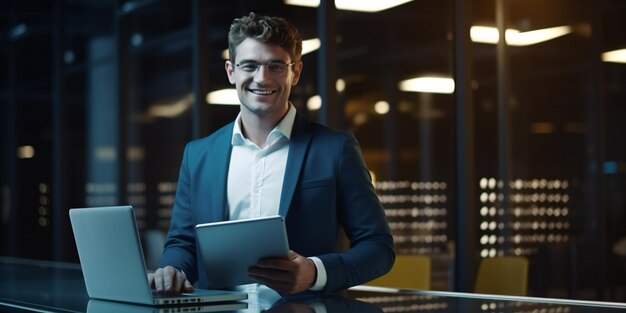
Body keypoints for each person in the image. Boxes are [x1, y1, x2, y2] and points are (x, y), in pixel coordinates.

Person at [149, 12, 394, 297]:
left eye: (275, 66)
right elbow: (182, 242)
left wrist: (314, 272)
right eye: (249, 66)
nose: (261, 78)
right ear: (231, 71)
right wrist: (172, 270)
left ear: (296, 72)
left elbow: (378, 248)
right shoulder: (198, 155)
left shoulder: (335, 149)